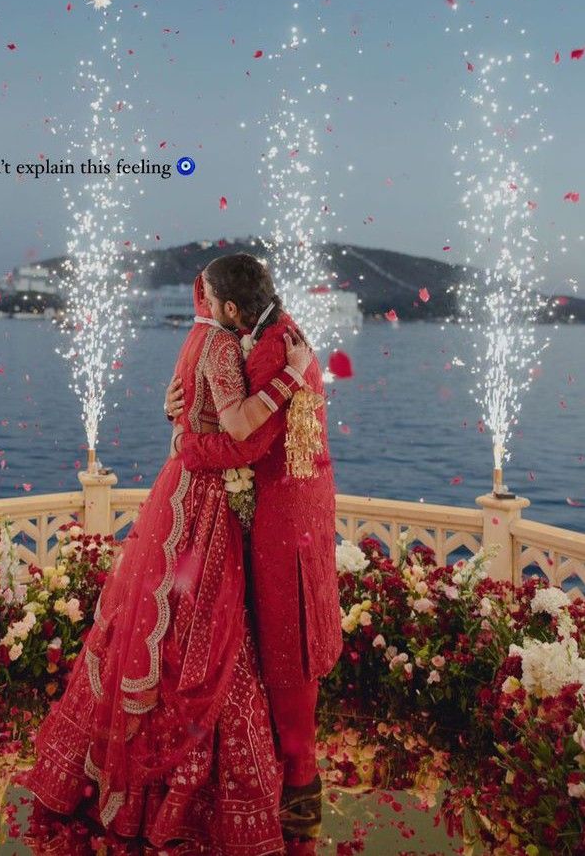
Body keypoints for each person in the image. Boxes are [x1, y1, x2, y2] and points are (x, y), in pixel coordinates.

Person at [20, 272, 312, 856]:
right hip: (201, 501)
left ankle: (111, 779)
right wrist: (291, 377)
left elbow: (190, 408)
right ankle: (190, 798)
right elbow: (235, 424)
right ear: (231, 305)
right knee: (206, 630)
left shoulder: (193, 337)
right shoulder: (226, 345)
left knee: (158, 625)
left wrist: (179, 426)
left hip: (176, 492)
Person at [165, 254, 343, 856]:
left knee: (285, 655)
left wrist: (189, 444)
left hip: (282, 520)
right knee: (285, 653)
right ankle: (289, 790)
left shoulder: (271, 351)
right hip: (300, 511)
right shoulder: (277, 331)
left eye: (212, 301)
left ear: (233, 308)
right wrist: (188, 400)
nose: (207, 311)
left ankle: (296, 813)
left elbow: (248, 442)